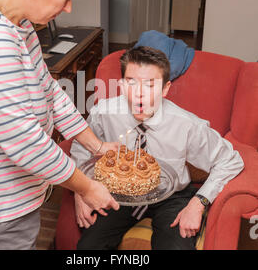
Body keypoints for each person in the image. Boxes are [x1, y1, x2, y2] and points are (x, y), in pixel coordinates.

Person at [0, 0, 119, 250]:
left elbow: (51, 92)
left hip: (16, 202)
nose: (69, 8)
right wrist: (87, 187)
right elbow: (25, 141)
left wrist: (97, 147)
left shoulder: (19, 24)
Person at [71, 46, 244, 250]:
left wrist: (198, 203)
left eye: (150, 85)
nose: (139, 95)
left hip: (172, 196)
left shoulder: (186, 124)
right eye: (131, 83)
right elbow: (81, 148)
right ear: (121, 85)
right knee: (88, 248)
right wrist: (79, 191)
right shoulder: (103, 112)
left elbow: (231, 160)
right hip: (121, 193)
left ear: (165, 89)